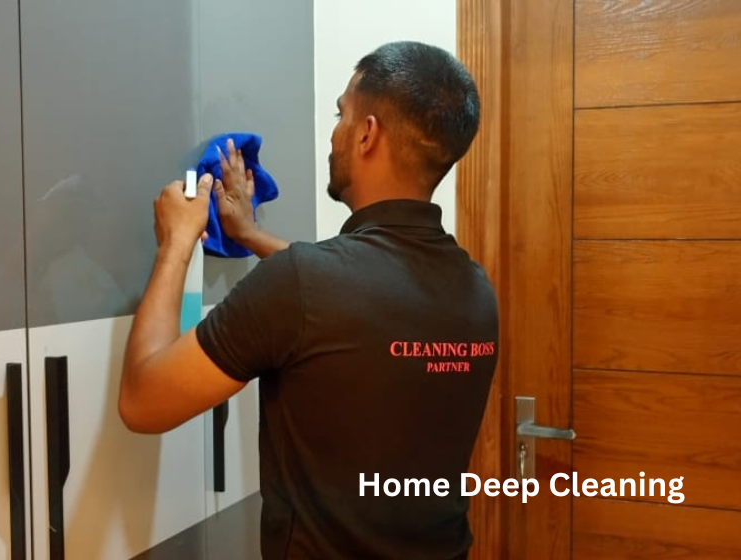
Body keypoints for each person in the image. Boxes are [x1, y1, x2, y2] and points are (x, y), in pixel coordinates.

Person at [120, 41, 498, 559]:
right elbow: (353, 296)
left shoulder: (305, 285)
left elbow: (143, 401)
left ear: (367, 134)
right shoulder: (475, 289)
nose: (335, 132)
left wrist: (176, 243)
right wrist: (250, 236)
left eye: (342, 114)